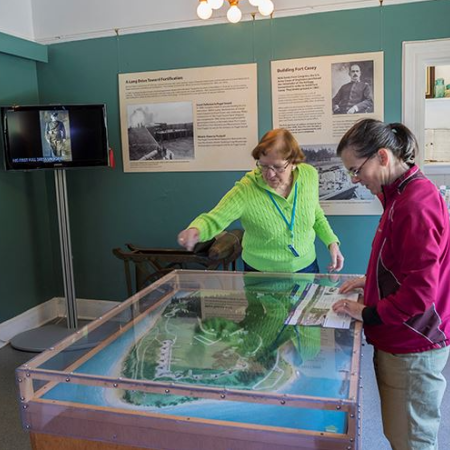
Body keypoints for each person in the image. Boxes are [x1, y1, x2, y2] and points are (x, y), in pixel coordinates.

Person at [332, 119, 450, 450]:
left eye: (356, 169)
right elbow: (408, 265)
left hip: (413, 343)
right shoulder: (400, 194)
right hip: (403, 339)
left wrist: (366, 312)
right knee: (402, 434)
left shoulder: (415, 203)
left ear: (382, 157)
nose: (355, 179)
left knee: (412, 439)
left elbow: (419, 294)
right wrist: (372, 281)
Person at [178, 128, 344, 273]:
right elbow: (216, 217)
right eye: (263, 165)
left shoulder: (309, 175)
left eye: (277, 167)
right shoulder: (246, 188)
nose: (270, 174)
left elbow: (315, 213)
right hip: (261, 273)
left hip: (307, 266)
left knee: (304, 310)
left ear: (293, 162)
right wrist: (196, 229)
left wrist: (332, 242)